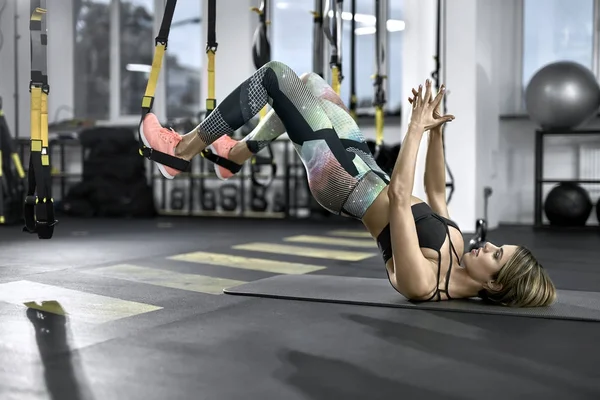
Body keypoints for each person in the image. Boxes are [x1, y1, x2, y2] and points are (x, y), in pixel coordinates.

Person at [140, 60, 556, 308]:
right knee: (310, 83)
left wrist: (413, 129)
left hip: (341, 181)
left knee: (275, 78)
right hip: (362, 163)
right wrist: (435, 132)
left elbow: (397, 200)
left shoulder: (424, 283)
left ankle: (183, 151)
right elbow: (433, 193)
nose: (488, 245)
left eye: (496, 254)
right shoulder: (458, 248)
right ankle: (234, 156)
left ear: (494, 284)